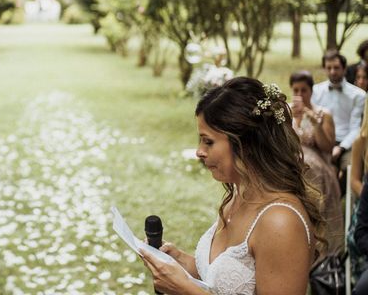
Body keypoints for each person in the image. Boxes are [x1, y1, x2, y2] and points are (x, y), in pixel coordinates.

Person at [140, 77, 323, 295]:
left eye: (208, 141)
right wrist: (179, 262)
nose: (199, 151)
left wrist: (186, 290)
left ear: (245, 144)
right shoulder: (240, 193)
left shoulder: (280, 223)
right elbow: (223, 282)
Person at [290, 70, 344, 255]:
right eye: (295, 90)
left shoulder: (322, 113)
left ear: (311, 91)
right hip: (292, 165)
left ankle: (321, 249)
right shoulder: (285, 113)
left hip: (318, 164)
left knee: (313, 169)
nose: (299, 95)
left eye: (303, 90)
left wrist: (316, 125)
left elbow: (328, 148)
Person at [312, 49, 366, 189]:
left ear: (344, 68)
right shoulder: (315, 91)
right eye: (328, 68)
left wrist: (340, 148)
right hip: (323, 140)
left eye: (336, 68)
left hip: (347, 144)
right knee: (313, 167)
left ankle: (337, 196)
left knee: (350, 168)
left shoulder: (358, 95)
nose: (332, 71)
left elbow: (355, 128)